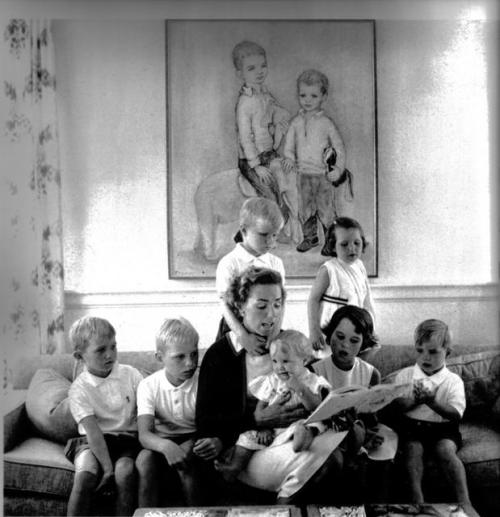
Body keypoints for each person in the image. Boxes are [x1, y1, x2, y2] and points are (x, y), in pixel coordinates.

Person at [196, 266, 349, 504]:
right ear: (240, 307)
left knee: (334, 454)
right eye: (261, 306)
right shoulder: (220, 355)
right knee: (328, 460)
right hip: (244, 451)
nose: (271, 315)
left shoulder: (290, 345)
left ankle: (284, 507)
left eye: (277, 304)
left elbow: (314, 394)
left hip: (289, 441)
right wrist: (257, 420)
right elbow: (205, 423)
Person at [214, 330, 331, 482]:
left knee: (308, 425)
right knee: (247, 437)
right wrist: (263, 427)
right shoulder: (272, 381)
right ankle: (235, 466)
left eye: (285, 361)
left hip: (298, 424)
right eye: (275, 361)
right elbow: (260, 410)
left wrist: (300, 388)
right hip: (273, 428)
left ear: (305, 360)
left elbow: (316, 407)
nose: (279, 367)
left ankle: (301, 442)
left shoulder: (313, 381)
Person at [64, 316, 143, 516]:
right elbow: (92, 432)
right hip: (92, 442)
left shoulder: (130, 375)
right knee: (85, 475)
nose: (110, 355)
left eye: (113, 347)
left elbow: (147, 411)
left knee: (125, 472)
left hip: (126, 441)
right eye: (101, 350)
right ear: (79, 356)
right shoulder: (79, 389)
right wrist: (107, 470)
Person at [312, 305, 390, 502]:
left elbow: (371, 417)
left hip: (356, 435)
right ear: (330, 336)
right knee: (335, 460)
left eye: (354, 341)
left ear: (363, 344)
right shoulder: (315, 370)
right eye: (339, 337)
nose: (344, 345)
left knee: (373, 461)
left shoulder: (370, 373)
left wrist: (371, 433)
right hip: (324, 435)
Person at [135, 317, 216, 506]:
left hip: (195, 440)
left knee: (189, 461)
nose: (190, 363)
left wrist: (191, 443)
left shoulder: (203, 382)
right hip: (161, 442)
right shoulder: (148, 385)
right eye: (180, 357)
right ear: (159, 357)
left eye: (194, 354)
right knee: (144, 460)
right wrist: (166, 446)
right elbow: (144, 434)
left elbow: (210, 427)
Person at [390, 319, 470, 504]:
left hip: (444, 429)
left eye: (433, 352)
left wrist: (433, 402)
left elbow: (456, 413)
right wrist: (414, 400)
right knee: (412, 449)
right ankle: (417, 498)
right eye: (420, 350)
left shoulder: (453, 380)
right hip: (412, 427)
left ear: (447, 353)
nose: (425, 357)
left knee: (445, 451)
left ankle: (464, 501)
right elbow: (396, 408)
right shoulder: (406, 376)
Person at [232, 40, 301, 243]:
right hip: (251, 159)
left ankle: (288, 226)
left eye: (263, 65)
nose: (259, 71)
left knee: (287, 182)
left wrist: (282, 115)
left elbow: (274, 109)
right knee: (269, 196)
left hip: (268, 153)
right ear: (240, 74)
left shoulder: (264, 94)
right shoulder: (245, 103)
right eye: (251, 68)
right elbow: (245, 138)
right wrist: (256, 166)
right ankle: (264, 234)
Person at [283, 69, 351, 253]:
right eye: (303, 95)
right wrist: (289, 157)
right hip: (303, 175)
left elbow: (339, 147)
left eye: (313, 95)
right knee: (305, 209)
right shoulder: (295, 122)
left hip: (322, 176)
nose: (307, 100)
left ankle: (331, 242)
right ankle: (310, 238)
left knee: (326, 210)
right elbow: (288, 144)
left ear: (323, 96)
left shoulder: (326, 123)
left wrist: (337, 169)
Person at [215, 197, 285, 355]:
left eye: (274, 235)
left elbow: (281, 303)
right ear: (244, 231)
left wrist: (274, 333)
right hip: (235, 329)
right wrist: (243, 337)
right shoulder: (229, 263)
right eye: (263, 235)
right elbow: (225, 304)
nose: (270, 242)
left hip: (268, 327)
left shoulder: (276, 263)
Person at [307, 216, 377, 360]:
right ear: (333, 246)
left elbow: (367, 300)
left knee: (353, 363)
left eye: (357, 243)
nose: (352, 248)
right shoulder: (329, 270)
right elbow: (313, 300)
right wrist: (314, 330)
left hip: (355, 328)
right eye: (344, 244)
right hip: (332, 329)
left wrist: (371, 328)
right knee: (331, 364)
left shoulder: (360, 267)